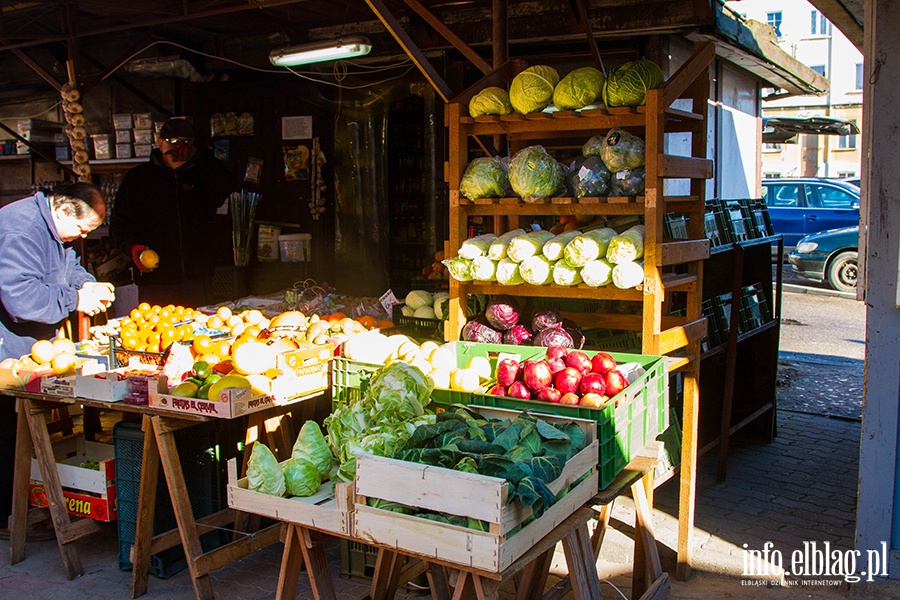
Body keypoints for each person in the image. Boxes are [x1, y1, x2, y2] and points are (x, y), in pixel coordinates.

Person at [0, 181, 115, 540]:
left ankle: (24, 501)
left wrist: (88, 285)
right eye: (81, 229)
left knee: (19, 426)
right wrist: (73, 300)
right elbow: (19, 297)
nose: (82, 237)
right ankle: (8, 515)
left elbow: (70, 265)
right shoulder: (20, 229)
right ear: (63, 209)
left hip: (28, 342)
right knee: (7, 426)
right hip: (6, 340)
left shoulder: (54, 227)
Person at [110, 117, 234, 308]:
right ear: (160, 143)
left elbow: (226, 188)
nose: (180, 147)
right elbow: (119, 226)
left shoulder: (202, 174)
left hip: (196, 277)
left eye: (187, 142)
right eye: (174, 142)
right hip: (155, 280)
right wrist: (133, 248)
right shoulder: (138, 179)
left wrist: (201, 158)